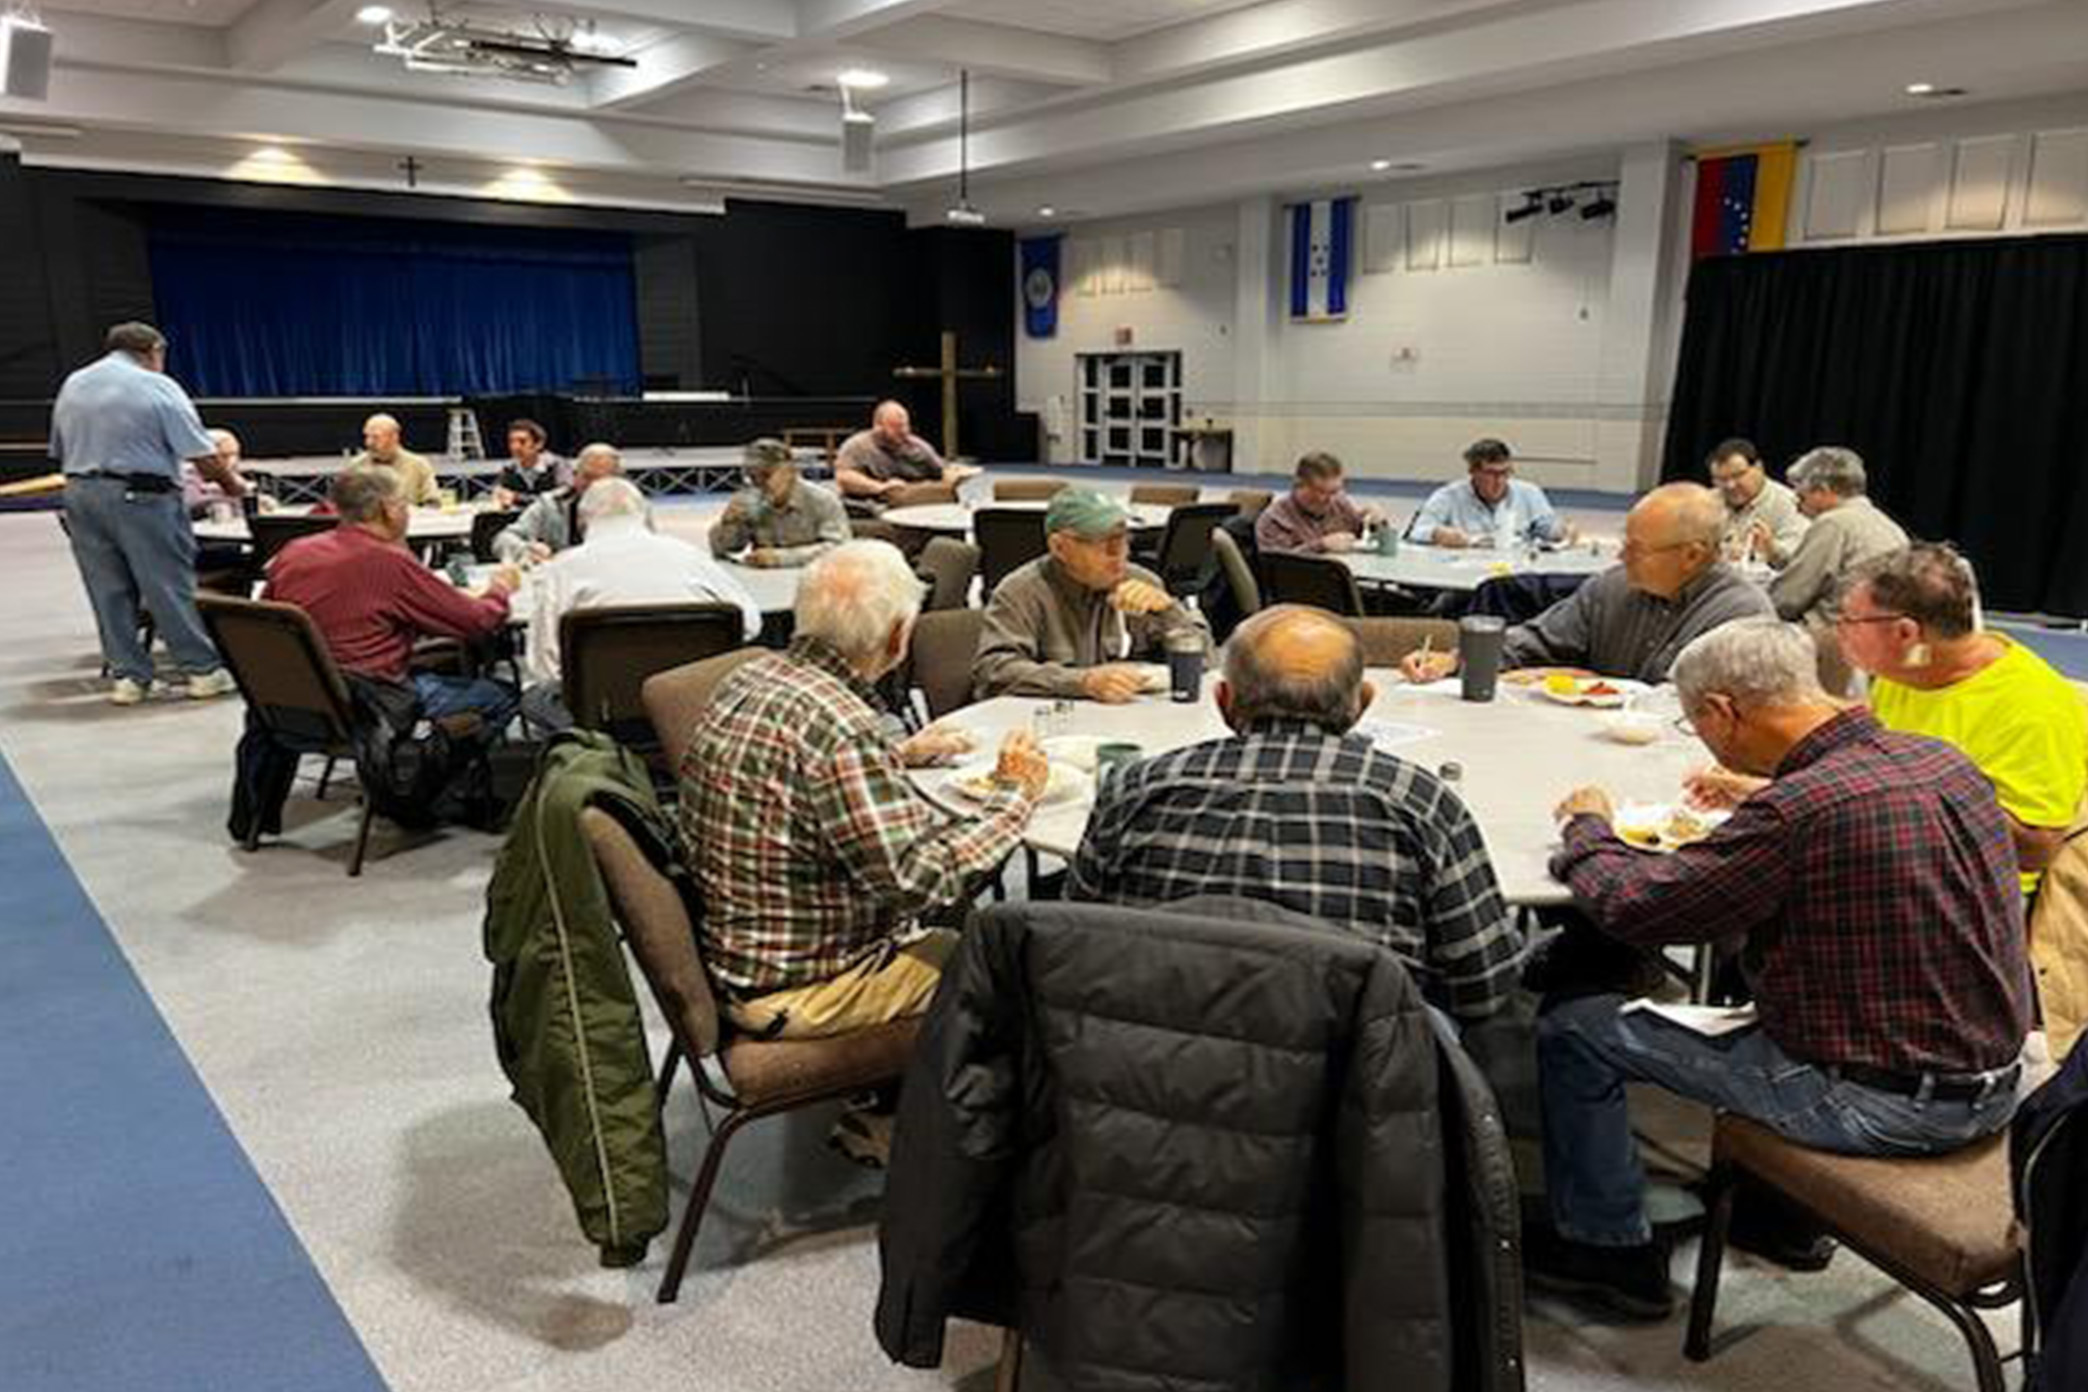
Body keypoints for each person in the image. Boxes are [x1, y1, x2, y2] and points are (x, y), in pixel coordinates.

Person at [1527, 618, 2031, 1321]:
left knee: (1574, 1025)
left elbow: (1636, 908)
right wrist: (1752, 797)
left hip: (1881, 1106)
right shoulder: (1940, 760)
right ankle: (1781, 1218)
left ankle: (1609, 1252)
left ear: (1723, 711)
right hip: (1998, 1084)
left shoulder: (1801, 809)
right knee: (1767, 977)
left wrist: (1588, 829)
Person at [1067, 605, 1525, 1022]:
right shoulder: (1419, 802)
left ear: (1224, 702)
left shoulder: (1135, 789)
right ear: (1361, 704)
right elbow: (1482, 989)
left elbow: (1072, 946)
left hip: (1144, 1070)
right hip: (1360, 1087)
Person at [678, 540, 1047, 1047]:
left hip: (740, 951)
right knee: (1023, 964)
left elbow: (791, 775)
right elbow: (921, 880)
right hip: (808, 986)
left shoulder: (750, 675)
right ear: (899, 636)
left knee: (970, 924)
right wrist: (1016, 794)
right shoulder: (842, 727)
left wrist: (896, 756)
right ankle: (935, 1117)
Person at [1838, 546, 2087, 891]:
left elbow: (2036, 849)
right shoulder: (1907, 672)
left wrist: (1907, 790)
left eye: (1850, 620)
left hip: (1971, 887)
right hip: (1897, 848)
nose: (1840, 630)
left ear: (1906, 633)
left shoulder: (2034, 707)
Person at [1402, 483, 1771, 686]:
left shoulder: (1742, 617)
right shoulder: (1612, 587)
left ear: (1693, 555)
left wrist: (1594, 683)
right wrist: (1453, 661)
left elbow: (1694, 713)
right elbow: (1536, 640)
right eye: (1624, 542)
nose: (1621, 557)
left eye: (1637, 549)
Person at [51, 321, 238, 704]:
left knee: (107, 589)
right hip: (141, 496)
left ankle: (129, 678)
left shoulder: (74, 383)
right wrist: (235, 487)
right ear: (154, 351)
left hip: (80, 493)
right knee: (167, 585)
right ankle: (202, 671)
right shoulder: (157, 385)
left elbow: (59, 447)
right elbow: (202, 454)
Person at [265, 466, 520, 727]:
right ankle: (433, 765)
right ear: (389, 509)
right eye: (404, 504)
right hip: (371, 698)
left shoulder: (294, 552)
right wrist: (500, 589)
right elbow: (478, 621)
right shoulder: (387, 561)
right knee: (502, 695)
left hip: (292, 698)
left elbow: (264, 618)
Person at [520, 478, 762, 731]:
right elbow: (749, 624)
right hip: (692, 709)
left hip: (601, 714)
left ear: (581, 522)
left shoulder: (562, 569)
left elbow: (544, 665)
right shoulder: (689, 556)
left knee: (537, 698)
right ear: (645, 514)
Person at [972, 488, 1210, 702]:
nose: (1118, 553)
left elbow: (1207, 662)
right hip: (1049, 731)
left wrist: (1169, 612)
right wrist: (1082, 682)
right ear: (1060, 548)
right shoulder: (1021, 593)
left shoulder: (1142, 583)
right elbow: (994, 670)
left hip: (1128, 722)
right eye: (1102, 542)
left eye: (1123, 539)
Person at [1769, 446, 1909, 629]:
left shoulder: (1833, 523)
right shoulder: (1891, 527)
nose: (1797, 506)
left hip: (1831, 635)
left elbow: (1788, 598)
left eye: (1801, 497)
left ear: (1823, 490)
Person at [709, 437, 850, 568]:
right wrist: (728, 524)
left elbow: (839, 550)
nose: (759, 483)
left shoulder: (822, 501)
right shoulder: (751, 501)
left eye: (765, 475)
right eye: (752, 476)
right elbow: (723, 549)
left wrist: (781, 558)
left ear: (791, 471)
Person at [1410, 438, 1574, 549]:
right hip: (1466, 571)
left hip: (1513, 571)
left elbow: (1547, 527)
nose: (1500, 480)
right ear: (1473, 471)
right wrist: (1437, 534)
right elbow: (1417, 531)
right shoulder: (1449, 496)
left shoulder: (1529, 493)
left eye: (1505, 472)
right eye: (1492, 473)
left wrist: (1563, 530)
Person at [834, 400, 980, 510]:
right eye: (896, 427)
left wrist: (955, 476)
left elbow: (942, 471)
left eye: (905, 425)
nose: (904, 431)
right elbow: (844, 477)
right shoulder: (858, 446)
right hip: (874, 504)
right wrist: (880, 487)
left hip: (914, 501)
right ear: (878, 426)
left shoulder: (918, 446)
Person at [492, 442, 623, 564]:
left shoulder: (631, 507)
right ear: (575, 475)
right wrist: (526, 550)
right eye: (587, 477)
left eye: (602, 479)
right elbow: (503, 540)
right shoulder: (550, 504)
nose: (593, 485)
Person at [1253, 451, 1387, 555]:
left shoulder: (1338, 503)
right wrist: (1321, 546)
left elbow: (1360, 537)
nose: (1328, 499)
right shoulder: (1275, 519)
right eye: (1321, 491)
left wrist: (1375, 522)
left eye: (1334, 491)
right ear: (1299, 485)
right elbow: (1277, 566)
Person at [1706, 437, 1806, 567]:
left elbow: (1799, 560)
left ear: (1759, 467)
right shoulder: (1706, 501)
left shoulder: (1789, 503)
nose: (1730, 485)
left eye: (1738, 475)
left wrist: (1772, 549)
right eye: (1721, 479)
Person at [349, 413, 440, 507]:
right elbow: (344, 504)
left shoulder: (418, 465)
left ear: (394, 437)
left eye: (375, 437)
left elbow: (432, 502)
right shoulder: (356, 466)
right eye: (367, 436)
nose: (369, 443)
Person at [492, 419, 567, 507]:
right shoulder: (509, 470)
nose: (515, 447)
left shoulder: (557, 466)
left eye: (522, 442)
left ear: (539, 444)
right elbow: (496, 491)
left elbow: (560, 496)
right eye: (511, 442)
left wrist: (518, 498)